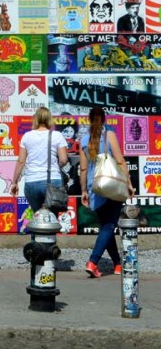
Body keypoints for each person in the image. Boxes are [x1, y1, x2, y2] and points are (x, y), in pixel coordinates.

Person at [79, 107, 134, 277]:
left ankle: (117, 264)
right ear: (104, 119)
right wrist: (129, 183)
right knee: (109, 226)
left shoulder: (84, 140)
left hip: (95, 187)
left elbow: (83, 168)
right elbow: (120, 161)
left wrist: (83, 191)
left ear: (89, 119)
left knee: (106, 227)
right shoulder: (109, 135)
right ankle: (93, 261)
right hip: (111, 185)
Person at [9, 106, 68, 212]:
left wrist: (14, 182)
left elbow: (21, 161)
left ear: (35, 119)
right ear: (49, 119)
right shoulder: (57, 135)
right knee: (52, 219)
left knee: (37, 218)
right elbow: (64, 160)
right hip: (53, 180)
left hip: (32, 181)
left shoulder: (26, 136)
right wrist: (56, 166)